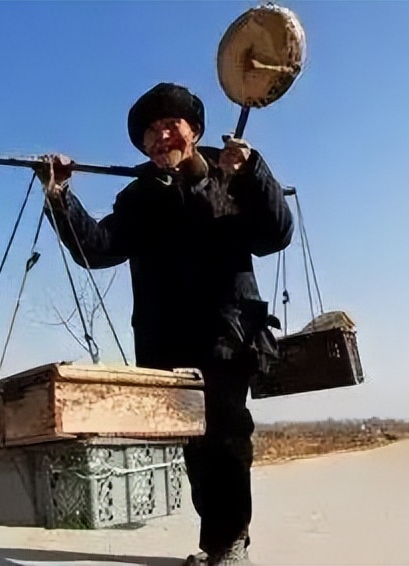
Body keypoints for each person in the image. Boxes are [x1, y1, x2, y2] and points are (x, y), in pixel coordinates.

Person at [37, 82, 293, 565]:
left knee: (228, 438)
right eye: (150, 133)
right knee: (196, 446)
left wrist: (254, 170)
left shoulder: (229, 174)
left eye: (170, 125)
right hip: (167, 345)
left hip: (229, 336)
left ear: (193, 131)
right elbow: (96, 248)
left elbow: (275, 234)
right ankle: (216, 544)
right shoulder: (138, 200)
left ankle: (233, 543)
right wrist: (60, 195)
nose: (161, 137)